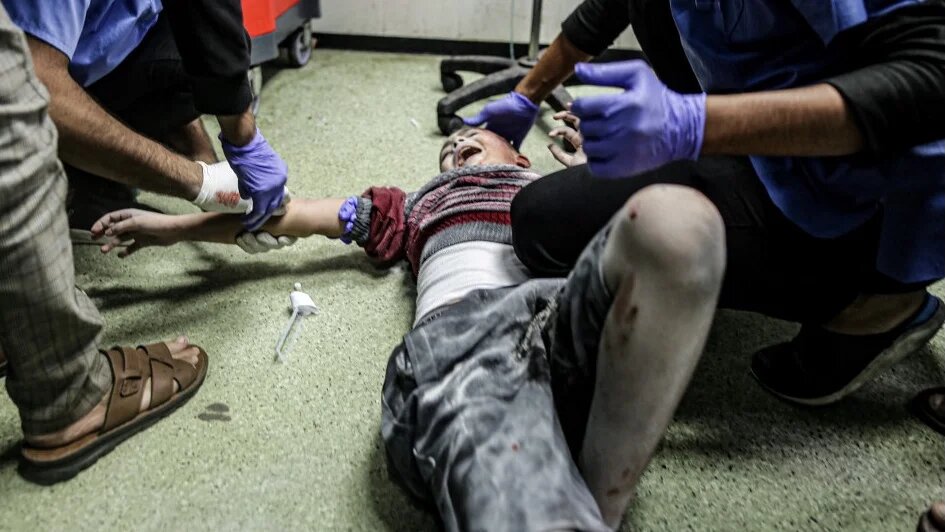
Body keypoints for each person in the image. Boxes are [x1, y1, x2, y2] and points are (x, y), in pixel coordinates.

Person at [92, 124, 725, 529]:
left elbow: (631, 249)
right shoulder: (410, 204)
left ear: (520, 154)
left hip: (567, 316)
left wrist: (599, 165)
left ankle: (598, 496)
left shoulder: (554, 186)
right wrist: (166, 228)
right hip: (466, 344)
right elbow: (282, 217)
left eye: (474, 134)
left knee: (677, 222)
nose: (455, 145)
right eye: (447, 146)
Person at [468, 0, 945, 405]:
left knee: (543, 221)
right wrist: (527, 95)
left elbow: (932, 78)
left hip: (870, 194)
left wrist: (691, 126)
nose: (464, 152)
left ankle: (874, 302)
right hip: (772, 131)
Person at [0, 5, 208, 486]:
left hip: (94, 63)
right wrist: (195, 184)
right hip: (58, 71)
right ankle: (69, 395)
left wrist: (210, 161)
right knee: (11, 115)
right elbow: (36, 85)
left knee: (187, 36)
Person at [0, 0, 291, 241]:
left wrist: (229, 153)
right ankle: (72, 181)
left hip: (90, 55)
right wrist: (199, 183)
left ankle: (92, 178)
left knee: (204, 57)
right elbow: (35, 90)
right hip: (20, 86)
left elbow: (208, 26)